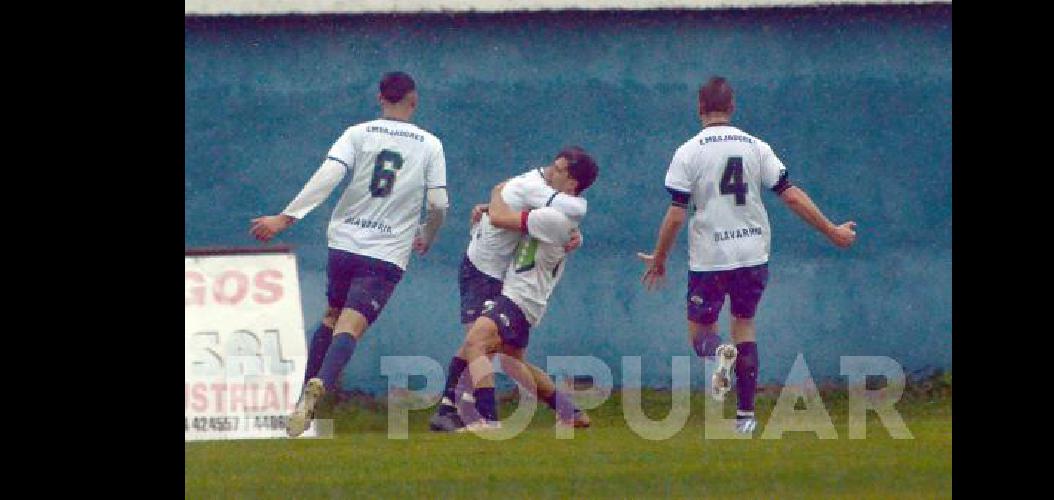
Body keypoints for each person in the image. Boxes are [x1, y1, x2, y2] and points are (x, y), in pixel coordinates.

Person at [638, 76, 856, 435]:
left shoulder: (688, 151)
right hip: (754, 253)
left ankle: (718, 354)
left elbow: (677, 214)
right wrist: (831, 230)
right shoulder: (756, 146)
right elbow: (791, 195)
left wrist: (660, 258)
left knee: (700, 333)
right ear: (733, 106)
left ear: (699, 108)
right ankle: (745, 418)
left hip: (711, 256)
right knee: (745, 324)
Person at [249, 71, 449, 437]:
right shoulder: (429, 144)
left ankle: (302, 398)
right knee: (351, 325)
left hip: (344, 244)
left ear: (379, 99)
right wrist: (427, 233)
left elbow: (327, 176)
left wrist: (285, 217)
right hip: (386, 252)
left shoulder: (358, 133)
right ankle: (320, 385)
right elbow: (438, 203)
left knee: (332, 315)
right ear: (413, 100)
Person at [432, 148, 599, 432]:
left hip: (520, 298)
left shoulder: (554, 219)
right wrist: (489, 207)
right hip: (528, 301)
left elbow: (501, 218)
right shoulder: (556, 216)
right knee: (511, 362)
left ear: (572, 184)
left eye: (558, 170)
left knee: (476, 344)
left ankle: (484, 418)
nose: (549, 171)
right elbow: (519, 218)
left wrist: (498, 192)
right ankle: (569, 412)